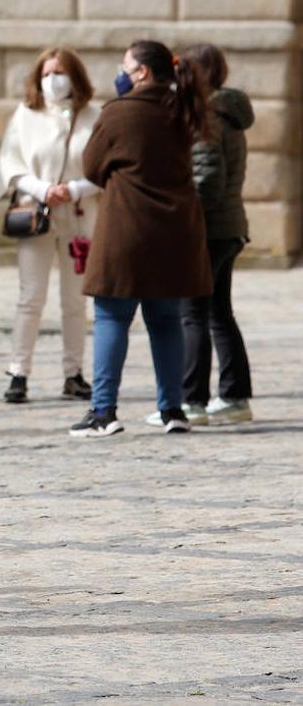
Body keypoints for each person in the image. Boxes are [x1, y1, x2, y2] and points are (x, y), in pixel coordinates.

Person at [69, 40, 213, 438]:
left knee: (112, 317)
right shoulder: (184, 108)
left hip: (127, 230)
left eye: (127, 66)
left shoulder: (120, 112)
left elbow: (92, 166)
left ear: (143, 73)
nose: (122, 72)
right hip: (174, 232)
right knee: (166, 322)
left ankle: (103, 411)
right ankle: (172, 409)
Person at [0, 47, 100, 404]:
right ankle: (18, 371)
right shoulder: (26, 114)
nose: (53, 80)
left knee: (75, 299)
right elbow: (10, 163)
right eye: (47, 73)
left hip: (80, 215)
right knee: (30, 296)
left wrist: (75, 189)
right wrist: (43, 189)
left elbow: (106, 169)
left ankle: (74, 373)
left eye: (60, 72)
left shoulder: (93, 117)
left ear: (75, 76)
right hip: (36, 214)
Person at [157, 44, 253, 426]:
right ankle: (234, 395)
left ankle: (192, 401)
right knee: (218, 314)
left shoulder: (208, 114)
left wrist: (182, 217)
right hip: (228, 228)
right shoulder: (228, 111)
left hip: (209, 231)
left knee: (193, 313)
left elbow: (207, 178)